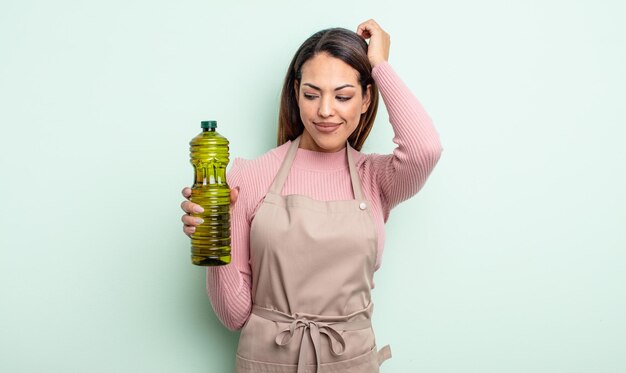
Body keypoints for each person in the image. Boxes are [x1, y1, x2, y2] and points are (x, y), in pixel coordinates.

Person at [180, 19, 442, 373]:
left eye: (344, 95)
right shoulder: (249, 176)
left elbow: (425, 148)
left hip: (351, 363)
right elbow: (234, 315)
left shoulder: (377, 178)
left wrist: (380, 65)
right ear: (296, 93)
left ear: (366, 98)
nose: (325, 111)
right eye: (312, 94)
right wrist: (216, 234)